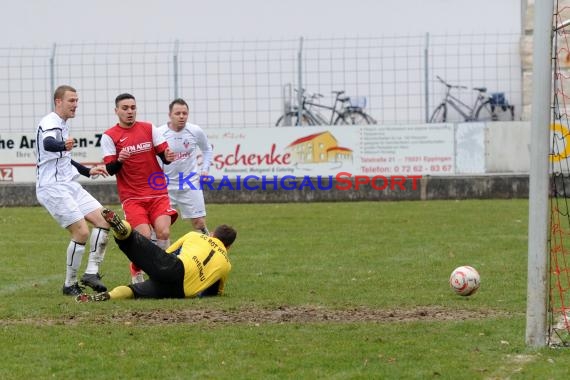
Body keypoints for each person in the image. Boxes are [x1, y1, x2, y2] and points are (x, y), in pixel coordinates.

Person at [35, 85, 110, 296]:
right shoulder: (50, 121)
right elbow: (49, 143)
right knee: (81, 232)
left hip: (69, 185)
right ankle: (69, 284)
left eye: (77, 100)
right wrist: (62, 146)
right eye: (71, 101)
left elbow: (65, 157)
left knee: (105, 220)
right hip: (52, 188)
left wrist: (87, 171)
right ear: (58, 101)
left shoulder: (63, 124)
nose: (75, 105)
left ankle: (91, 273)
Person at [75, 208, 236, 302]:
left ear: (212, 234)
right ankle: (108, 296)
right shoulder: (226, 265)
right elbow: (216, 292)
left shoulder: (195, 236)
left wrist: (153, 265)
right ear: (228, 246)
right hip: (180, 292)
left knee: (132, 241)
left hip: (174, 268)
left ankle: (122, 228)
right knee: (135, 291)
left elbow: (168, 253)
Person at [101, 93, 179, 284]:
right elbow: (111, 169)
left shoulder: (149, 128)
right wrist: (120, 159)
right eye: (125, 108)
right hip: (132, 197)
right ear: (116, 111)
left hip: (157, 192)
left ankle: (163, 271)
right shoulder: (109, 136)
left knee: (163, 232)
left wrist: (168, 156)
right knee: (143, 238)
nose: (130, 111)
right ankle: (136, 270)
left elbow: (164, 156)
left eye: (133, 108)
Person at [157, 98, 213, 235]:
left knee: (199, 222)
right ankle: (159, 255)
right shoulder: (159, 133)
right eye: (177, 113)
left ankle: (208, 249)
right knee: (161, 227)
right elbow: (152, 155)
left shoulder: (195, 131)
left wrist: (205, 170)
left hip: (190, 183)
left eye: (184, 113)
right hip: (165, 186)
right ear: (170, 115)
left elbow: (207, 149)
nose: (181, 116)